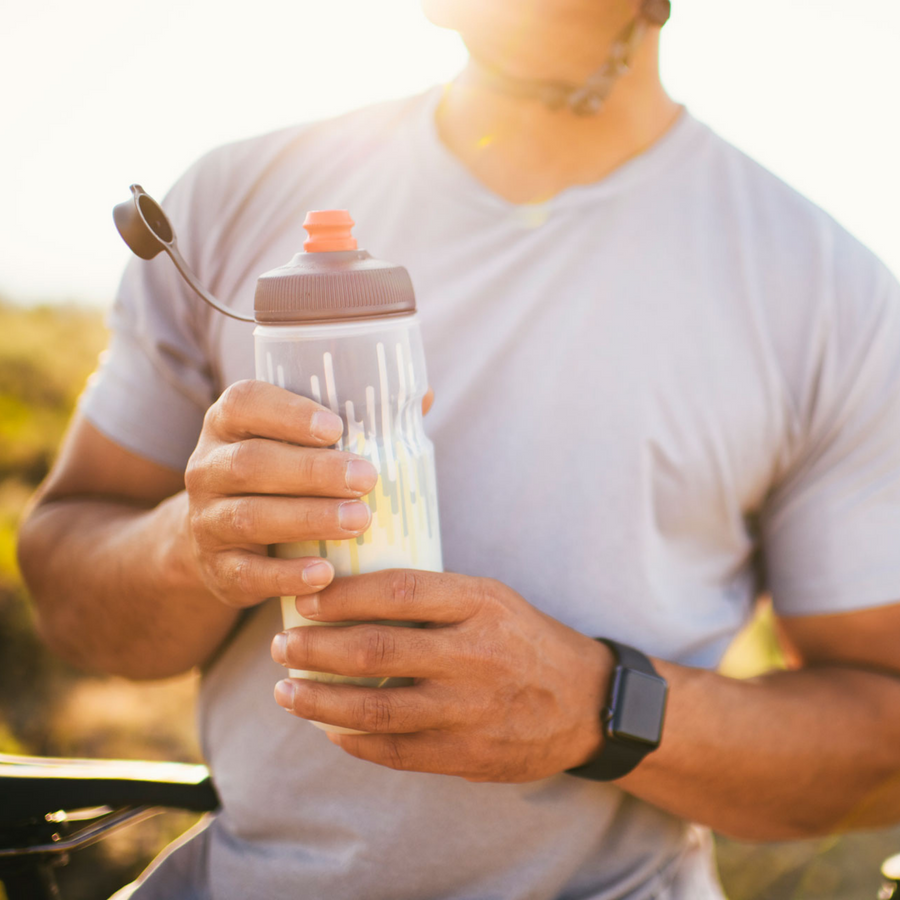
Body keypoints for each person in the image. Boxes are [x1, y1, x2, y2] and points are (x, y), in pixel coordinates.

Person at [17, 0, 900, 897]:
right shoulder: (232, 197)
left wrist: (603, 709)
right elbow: (66, 589)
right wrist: (191, 544)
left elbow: (886, 742)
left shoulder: (830, 295)